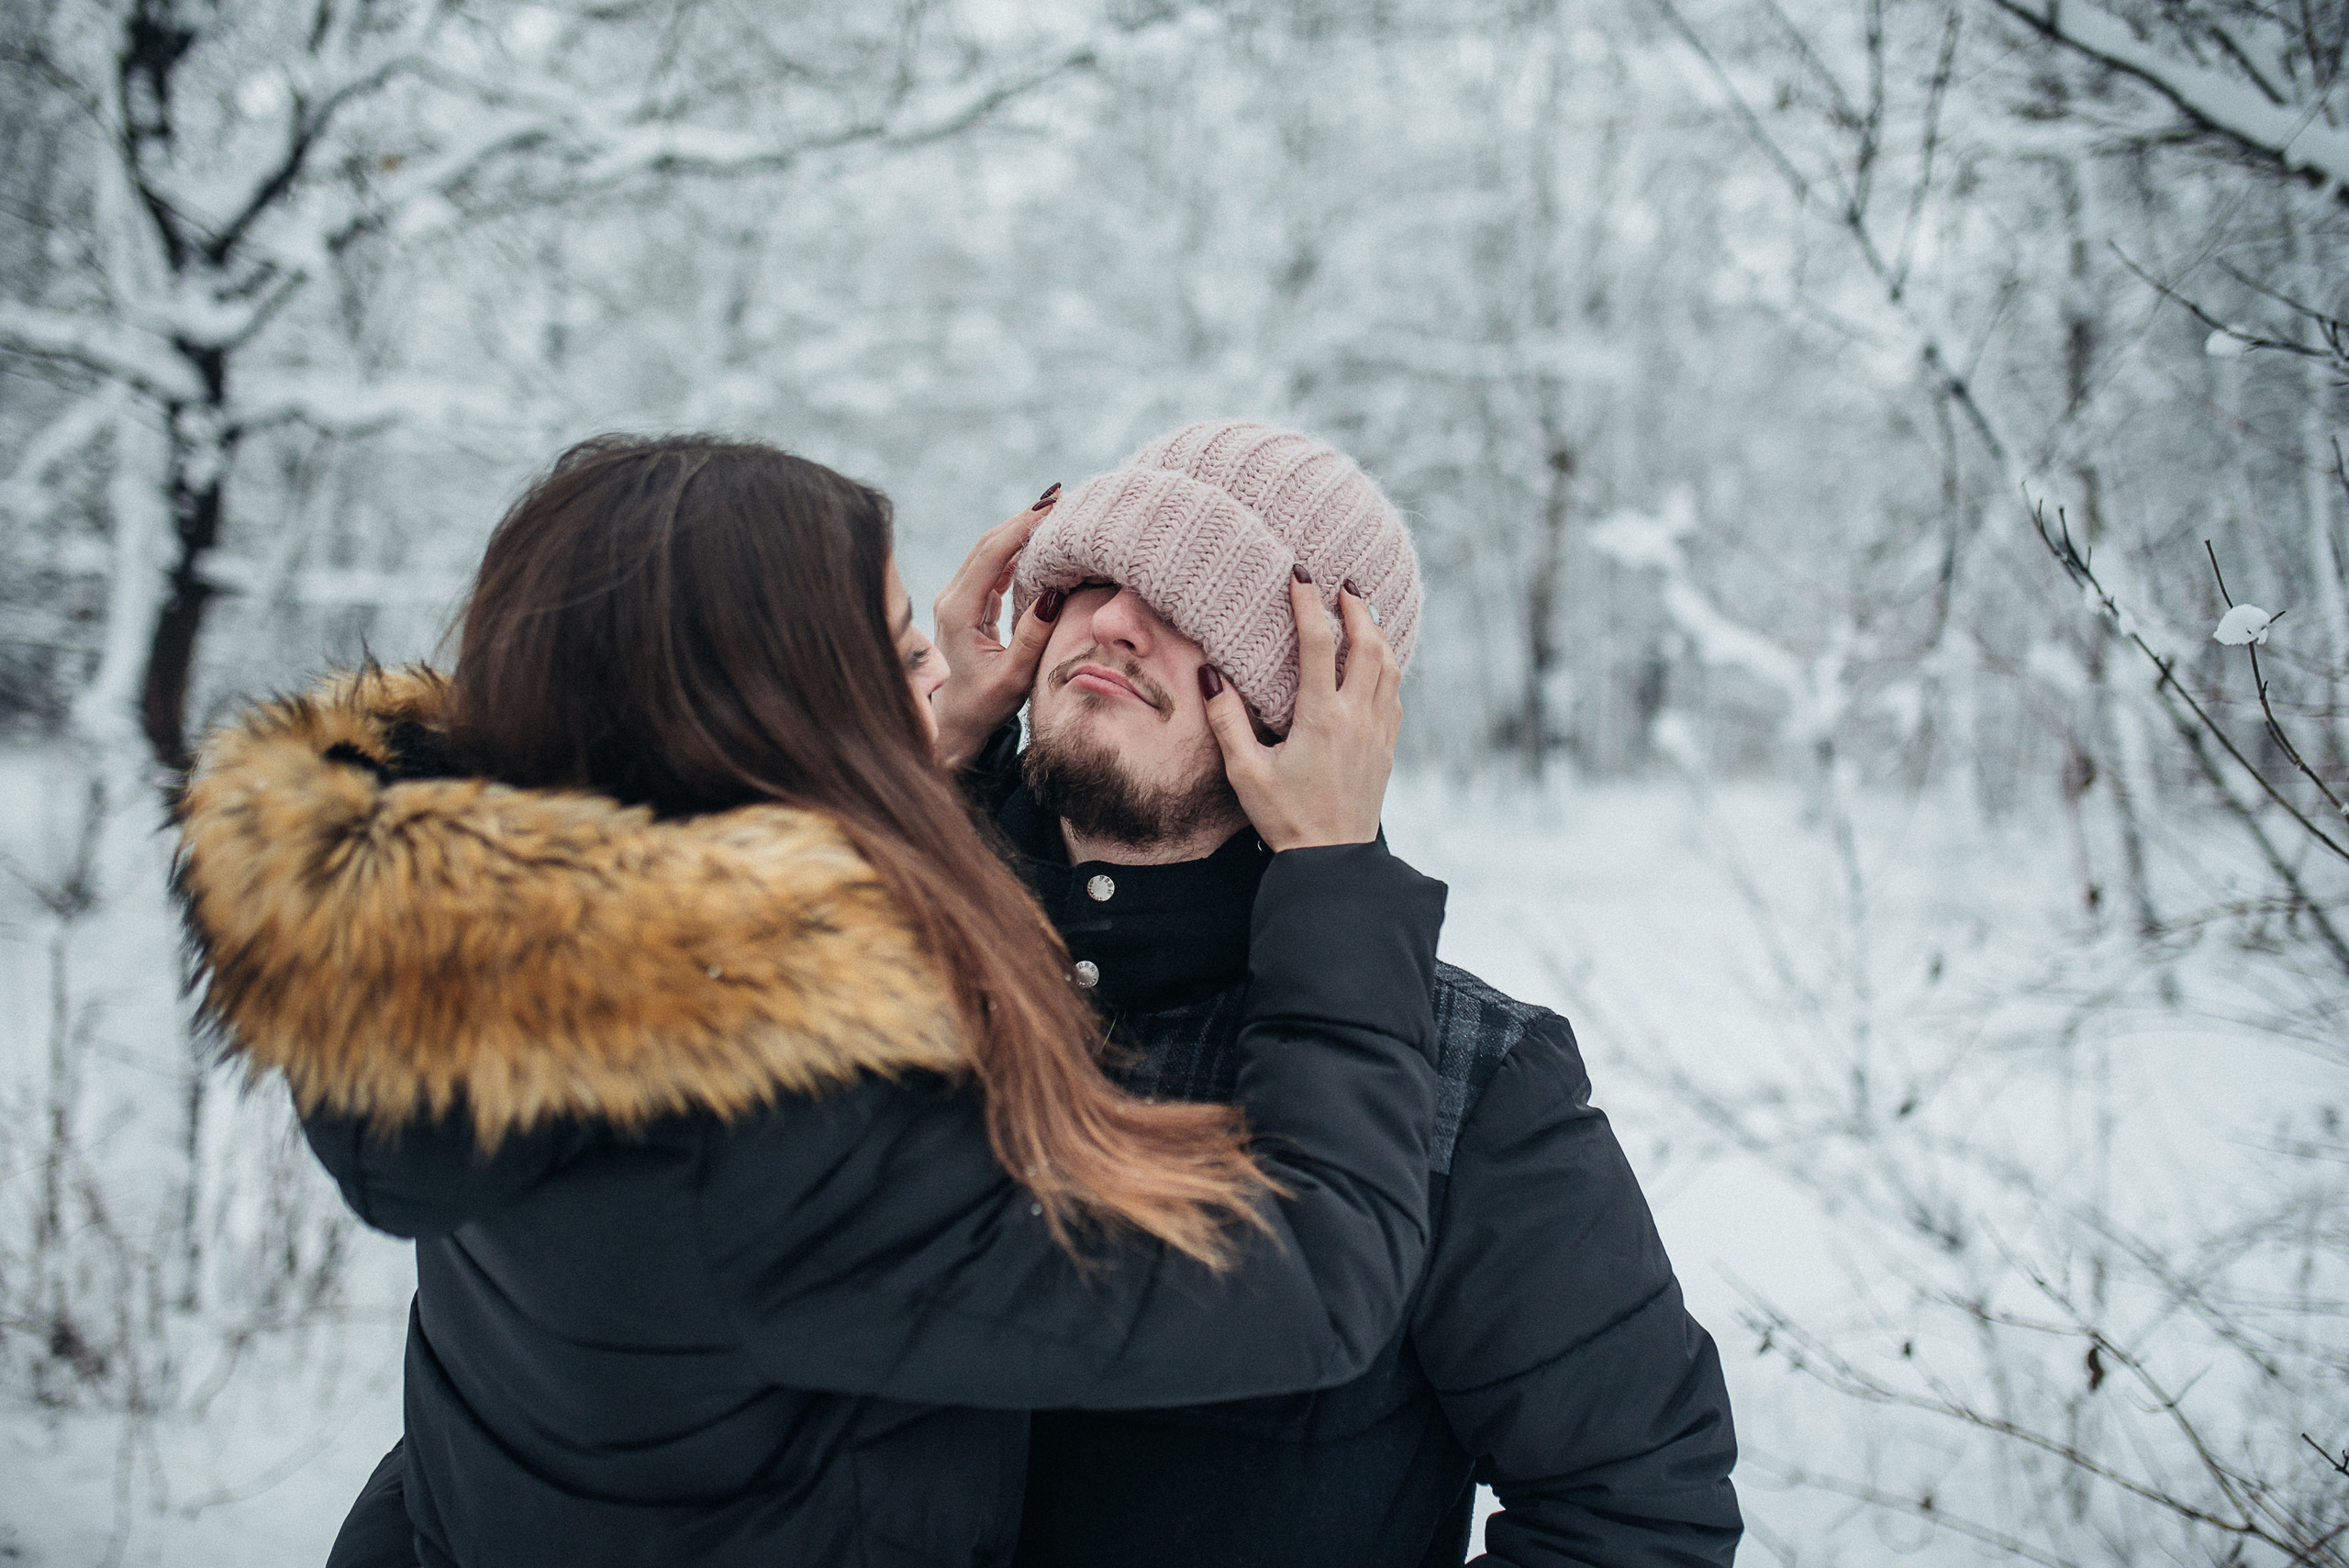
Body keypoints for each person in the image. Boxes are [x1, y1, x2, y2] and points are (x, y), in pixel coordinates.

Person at [170, 433, 1450, 1568]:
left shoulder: (502, 971)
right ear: (762, 725)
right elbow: (1317, 1282)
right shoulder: (771, 1132)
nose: (953, 689)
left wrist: (923, 774)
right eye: (900, 661)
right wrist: (1337, 871)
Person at [928, 420, 1743, 1568]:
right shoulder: (876, 962)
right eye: (1091, 577)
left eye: (1188, 603)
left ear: (1312, 702)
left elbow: (1639, 1518)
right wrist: (918, 787)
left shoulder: (1471, 1080)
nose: (1112, 618)